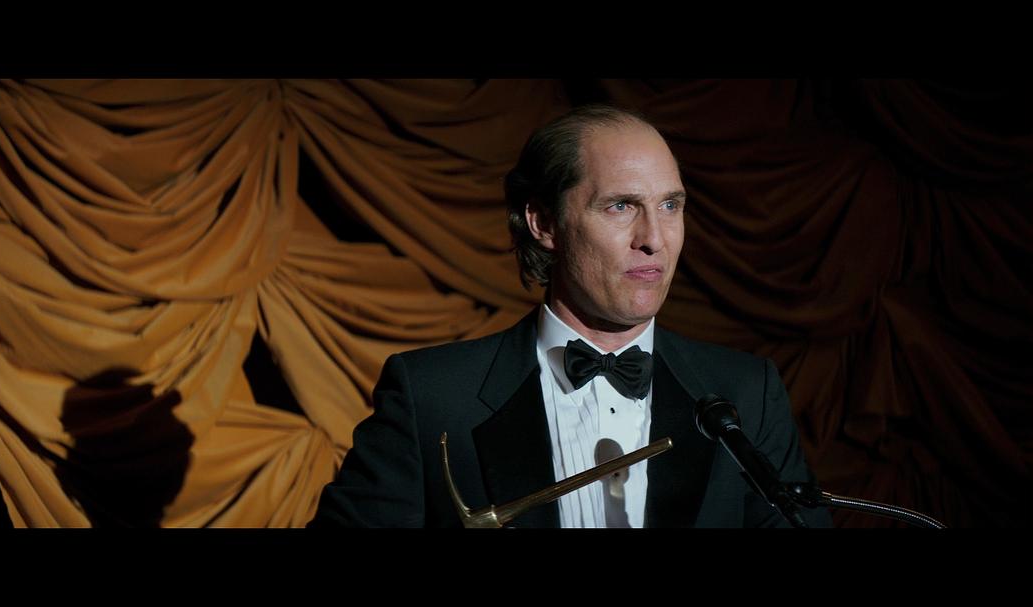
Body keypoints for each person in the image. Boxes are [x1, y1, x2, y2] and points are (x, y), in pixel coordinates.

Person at [309, 105, 832, 528]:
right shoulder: (431, 396)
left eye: (671, 206)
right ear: (543, 222)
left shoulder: (746, 392)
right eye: (621, 206)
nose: (654, 238)